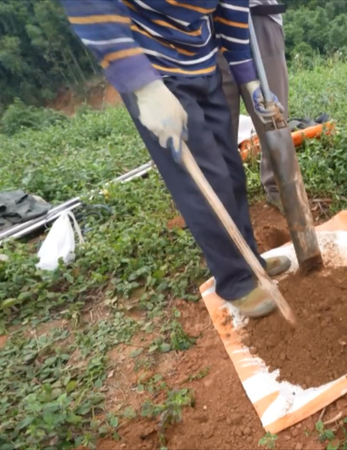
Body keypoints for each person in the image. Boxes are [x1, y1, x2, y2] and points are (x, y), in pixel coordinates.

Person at [62, 0, 290, 317]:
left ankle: (250, 260)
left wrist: (248, 78)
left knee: (231, 170)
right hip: (154, 68)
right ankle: (235, 279)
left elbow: (233, 8)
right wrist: (142, 83)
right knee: (206, 181)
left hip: (203, 59)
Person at [218, 0, 289, 212]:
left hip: (257, 16)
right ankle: (226, 203)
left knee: (273, 115)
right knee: (220, 125)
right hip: (209, 25)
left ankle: (280, 190)